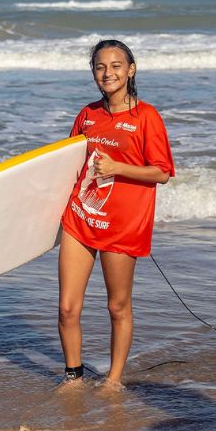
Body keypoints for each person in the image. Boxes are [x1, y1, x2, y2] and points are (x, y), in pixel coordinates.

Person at [58, 39, 175, 389]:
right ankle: (73, 377)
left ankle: (113, 380)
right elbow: (67, 164)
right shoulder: (88, 114)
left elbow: (161, 172)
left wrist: (118, 168)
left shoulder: (147, 117)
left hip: (122, 225)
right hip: (81, 217)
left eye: (116, 66)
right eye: (100, 66)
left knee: (117, 306)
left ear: (131, 70)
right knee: (67, 308)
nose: (107, 73)